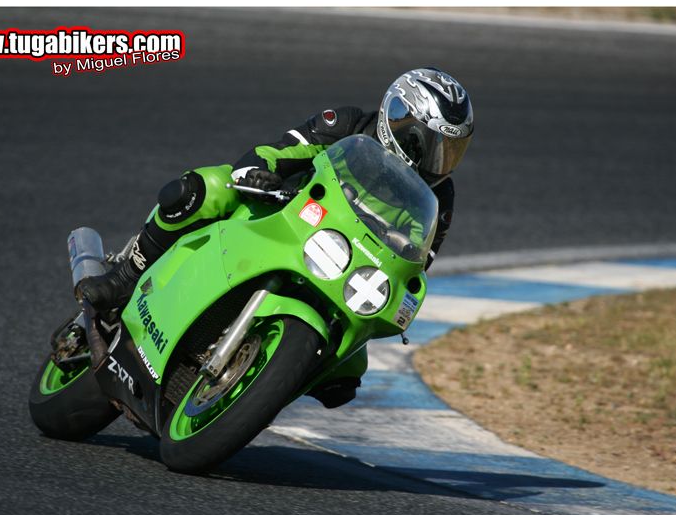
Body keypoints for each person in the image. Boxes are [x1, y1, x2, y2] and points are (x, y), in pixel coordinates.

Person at [79, 67, 474, 407]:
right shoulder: (349, 125)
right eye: (434, 144)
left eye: (452, 150)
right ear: (400, 119)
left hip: (343, 270)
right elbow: (277, 150)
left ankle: (256, 384)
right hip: (285, 215)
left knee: (347, 375)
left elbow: (418, 260)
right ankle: (125, 277)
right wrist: (257, 174)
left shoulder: (440, 197)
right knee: (203, 189)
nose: (441, 160)